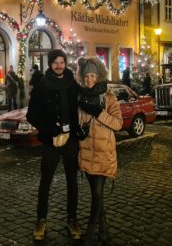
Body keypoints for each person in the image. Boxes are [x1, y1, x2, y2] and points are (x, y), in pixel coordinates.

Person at [26, 49, 82, 241]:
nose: (59, 65)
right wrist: (50, 128)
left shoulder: (73, 84)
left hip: (71, 140)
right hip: (50, 141)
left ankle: (72, 219)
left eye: (62, 62)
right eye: (55, 62)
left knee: (72, 182)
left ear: (65, 63)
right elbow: (31, 115)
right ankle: (41, 220)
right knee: (45, 182)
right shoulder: (42, 85)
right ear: (50, 64)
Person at [77, 57, 123, 246]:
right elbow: (77, 121)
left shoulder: (109, 97)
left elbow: (118, 124)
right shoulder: (80, 97)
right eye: (86, 76)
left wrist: (98, 113)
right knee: (97, 195)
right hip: (87, 152)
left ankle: (90, 230)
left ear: (99, 76)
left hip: (104, 153)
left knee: (97, 193)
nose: (89, 80)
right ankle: (103, 231)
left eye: (93, 76)